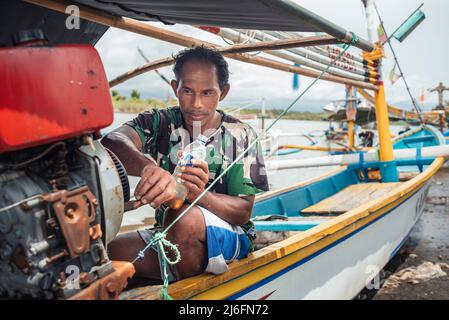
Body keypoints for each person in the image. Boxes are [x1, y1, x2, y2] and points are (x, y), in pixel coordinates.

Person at [102, 46, 269, 284]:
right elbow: (112, 141)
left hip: (231, 235)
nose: (196, 103)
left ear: (223, 92)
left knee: (182, 216)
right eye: (187, 91)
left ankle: (180, 288)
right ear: (174, 88)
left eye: (208, 93)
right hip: (167, 232)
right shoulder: (161, 121)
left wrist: (197, 194)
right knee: (101, 255)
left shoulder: (241, 135)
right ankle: (172, 274)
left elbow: (243, 212)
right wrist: (147, 168)